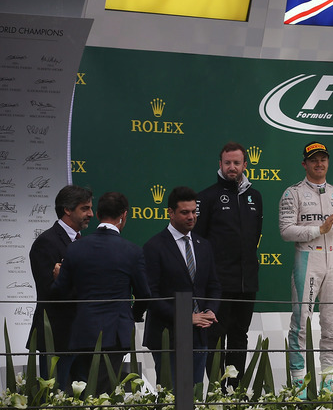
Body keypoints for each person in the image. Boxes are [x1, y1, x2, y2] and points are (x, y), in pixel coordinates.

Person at [51, 191, 150, 395]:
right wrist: (132, 315)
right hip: (115, 333)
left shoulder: (76, 248)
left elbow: (59, 291)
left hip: (83, 331)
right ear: (124, 215)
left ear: (97, 214)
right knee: (105, 395)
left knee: (84, 392)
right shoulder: (132, 251)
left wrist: (57, 276)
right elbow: (145, 294)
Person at [279, 142, 333, 392]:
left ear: (328, 162)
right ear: (304, 164)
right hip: (307, 258)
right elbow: (286, 231)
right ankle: (299, 384)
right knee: (301, 322)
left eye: (323, 159)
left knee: (332, 323)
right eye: (313, 159)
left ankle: (328, 380)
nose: (319, 163)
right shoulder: (293, 193)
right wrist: (318, 229)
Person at [195, 142, 263, 387]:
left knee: (239, 337)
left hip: (246, 284)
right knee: (213, 338)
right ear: (220, 164)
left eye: (237, 163)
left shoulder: (255, 197)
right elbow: (198, 243)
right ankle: (215, 393)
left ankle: (234, 392)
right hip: (217, 286)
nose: (232, 167)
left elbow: (255, 237)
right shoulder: (207, 197)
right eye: (227, 163)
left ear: (245, 165)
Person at [142, 186, 220, 385]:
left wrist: (210, 310)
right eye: (185, 212)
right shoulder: (154, 246)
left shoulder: (205, 245)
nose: (191, 217)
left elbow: (214, 285)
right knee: (170, 399)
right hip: (168, 336)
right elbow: (151, 295)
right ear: (170, 212)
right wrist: (186, 317)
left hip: (200, 335)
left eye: (194, 212)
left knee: (194, 396)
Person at [27, 185, 93, 389]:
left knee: (87, 402)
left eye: (90, 208)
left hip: (84, 338)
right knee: (55, 401)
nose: (91, 214)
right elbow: (48, 291)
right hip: (57, 337)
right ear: (67, 210)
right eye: (85, 208)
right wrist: (66, 280)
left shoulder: (86, 243)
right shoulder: (46, 242)